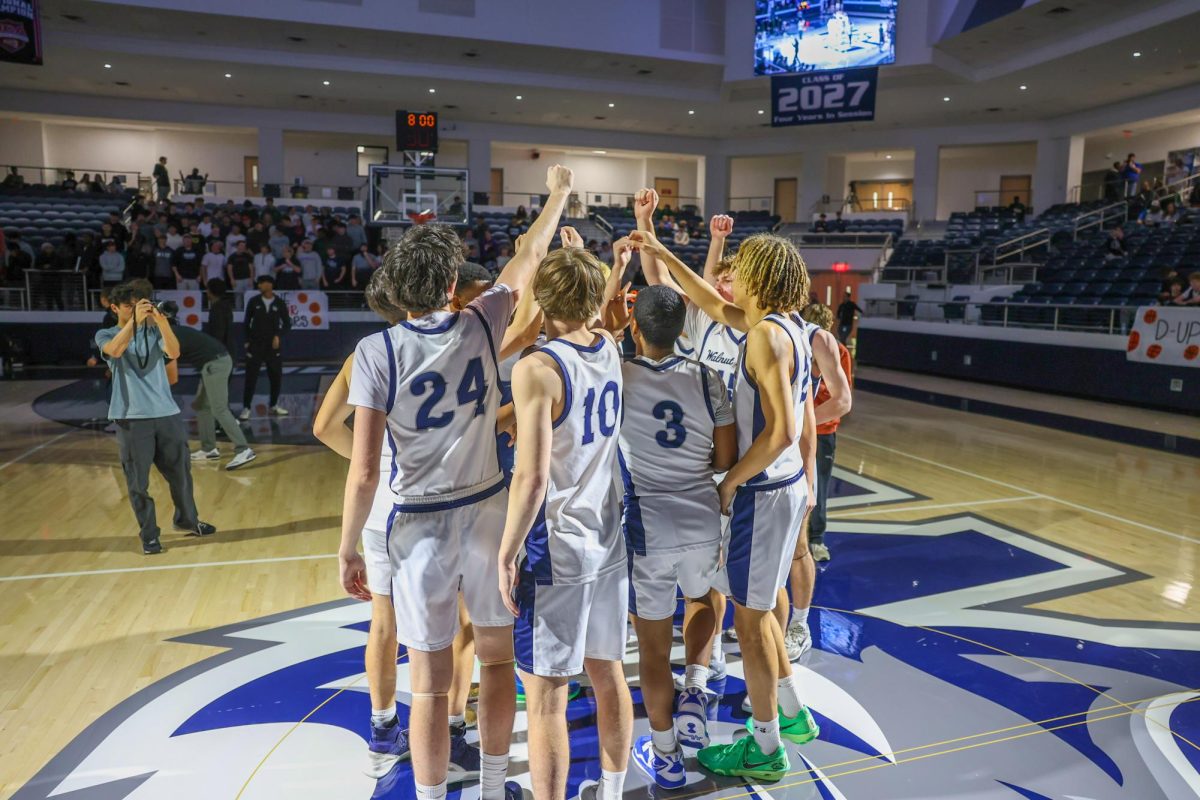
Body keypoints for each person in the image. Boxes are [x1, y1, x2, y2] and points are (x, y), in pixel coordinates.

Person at [340, 164, 574, 800]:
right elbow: (528, 256)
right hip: (487, 513)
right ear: (451, 285)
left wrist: (348, 548)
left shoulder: (374, 351)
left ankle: (430, 795)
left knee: (430, 685)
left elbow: (364, 470)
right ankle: (496, 787)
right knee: (497, 661)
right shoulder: (481, 322)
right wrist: (556, 194)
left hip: (415, 526)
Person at [636, 227, 820, 782]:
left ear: (759, 277)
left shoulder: (765, 336)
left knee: (752, 620)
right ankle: (791, 714)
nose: (730, 277)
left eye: (740, 269)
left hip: (763, 492)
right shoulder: (780, 326)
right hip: (784, 490)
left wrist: (730, 481)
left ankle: (764, 747)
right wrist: (664, 255)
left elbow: (784, 431)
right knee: (757, 612)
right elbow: (711, 302)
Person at [497, 241, 632, 800]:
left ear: (539, 300)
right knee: (608, 673)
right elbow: (591, 311)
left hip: (559, 547)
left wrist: (506, 553)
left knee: (547, 694)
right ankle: (613, 788)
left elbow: (530, 479)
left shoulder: (536, 368)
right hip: (609, 536)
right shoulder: (608, 346)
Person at [620, 284, 736, 790]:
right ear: (684, 329)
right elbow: (726, 459)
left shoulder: (617, 374)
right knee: (704, 597)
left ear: (634, 328)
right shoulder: (708, 376)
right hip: (702, 513)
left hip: (648, 519)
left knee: (650, 647)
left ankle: (665, 755)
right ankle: (695, 685)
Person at [635, 190, 733, 680]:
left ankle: (708, 659)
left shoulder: (747, 331)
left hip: (729, 470)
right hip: (707, 476)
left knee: (718, 590)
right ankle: (702, 666)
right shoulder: (705, 332)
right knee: (704, 587)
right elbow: (668, 287)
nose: (722, 287)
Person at [96, 281, 216, 553]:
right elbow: (115, 350)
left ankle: (189, 520)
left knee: (181, 474)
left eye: (139, 304)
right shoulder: (105, 333)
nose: (136, 309)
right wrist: (133, 323)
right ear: (115, 308)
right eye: (129, 306)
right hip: (131, 418)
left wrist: (161, 321)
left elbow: (174, 352)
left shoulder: (155, 330)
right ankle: (149, 534)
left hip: (167, 413)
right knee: (138, 482)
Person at [799, 303, 851, 563]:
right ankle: (796, 539)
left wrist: (804, 419)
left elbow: (841, 398)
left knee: (817, 487)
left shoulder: (837, 351)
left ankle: (816, 539)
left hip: (822, 430)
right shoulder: (796, 345)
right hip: (798, 431)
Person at [171, 317, 257, 471]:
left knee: (219, 408)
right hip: (213, 363)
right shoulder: (175, 331)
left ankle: (243, 449)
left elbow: (169, 365)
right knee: (202, 406)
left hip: (216, 364)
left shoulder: (170, 335)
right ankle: (209, 449)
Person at [240, 275, 291, 419]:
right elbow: (246, 323)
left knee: (276, 377)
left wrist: (278, 336)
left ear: (269, 285)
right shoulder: (253, 301)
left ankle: (274, 405)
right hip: (255, 346)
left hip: (273, 348)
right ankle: (246, 408)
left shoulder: (279, 303)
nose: (259, 286)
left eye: (262, 283)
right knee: (251, 378)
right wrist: (247, 340)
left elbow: (287, 324)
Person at [204, 278, 236, 357]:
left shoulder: (218, 308)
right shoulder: (225, 305)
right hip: (226, 350)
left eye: (207, 289)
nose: (206, 292)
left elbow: (219, 331)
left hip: (220, 353)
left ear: (211, 291)